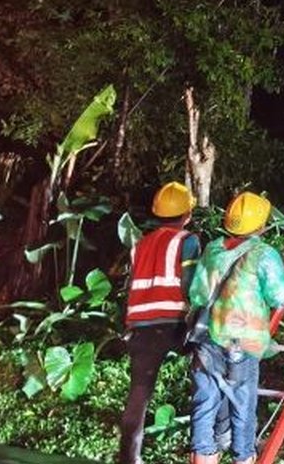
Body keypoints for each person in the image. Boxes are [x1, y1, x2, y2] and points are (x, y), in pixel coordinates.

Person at [188, 192, 284, 464]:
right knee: (242, 406)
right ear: (261, 225)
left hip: (208, 338)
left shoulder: (213, 249)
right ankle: (243, 457)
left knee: (205, 405)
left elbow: (198, 295)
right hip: (244, 342)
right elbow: (279, 296)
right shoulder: (263, 254)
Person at [118, 182, 201, 464]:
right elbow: (191, 284)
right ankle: (207, 446)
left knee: (139, 393)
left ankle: (129, 457)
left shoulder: (140, 244)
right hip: (174, 323)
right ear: (187, 214)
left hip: (141, 326)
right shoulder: (187, 241)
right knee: (206, 375)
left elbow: (132, 286)